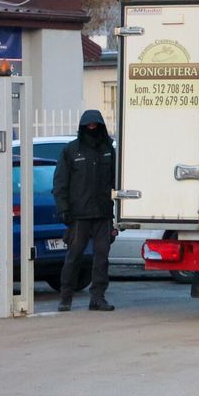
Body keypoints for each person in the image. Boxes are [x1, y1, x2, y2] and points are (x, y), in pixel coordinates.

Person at [52, 109, 116, 311]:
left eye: (95, 126)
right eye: (88, 126)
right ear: (82, 128)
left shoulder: (108, 150)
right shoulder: (71, 151)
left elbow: (116, 182)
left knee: (102, 258)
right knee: (74, 257)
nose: (92, 129)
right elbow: (60, 182)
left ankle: (98, 297)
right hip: (79, 215)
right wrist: (63, 209)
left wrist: (116, 214)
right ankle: (66, 297)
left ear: (101, 127)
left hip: (103, 214)